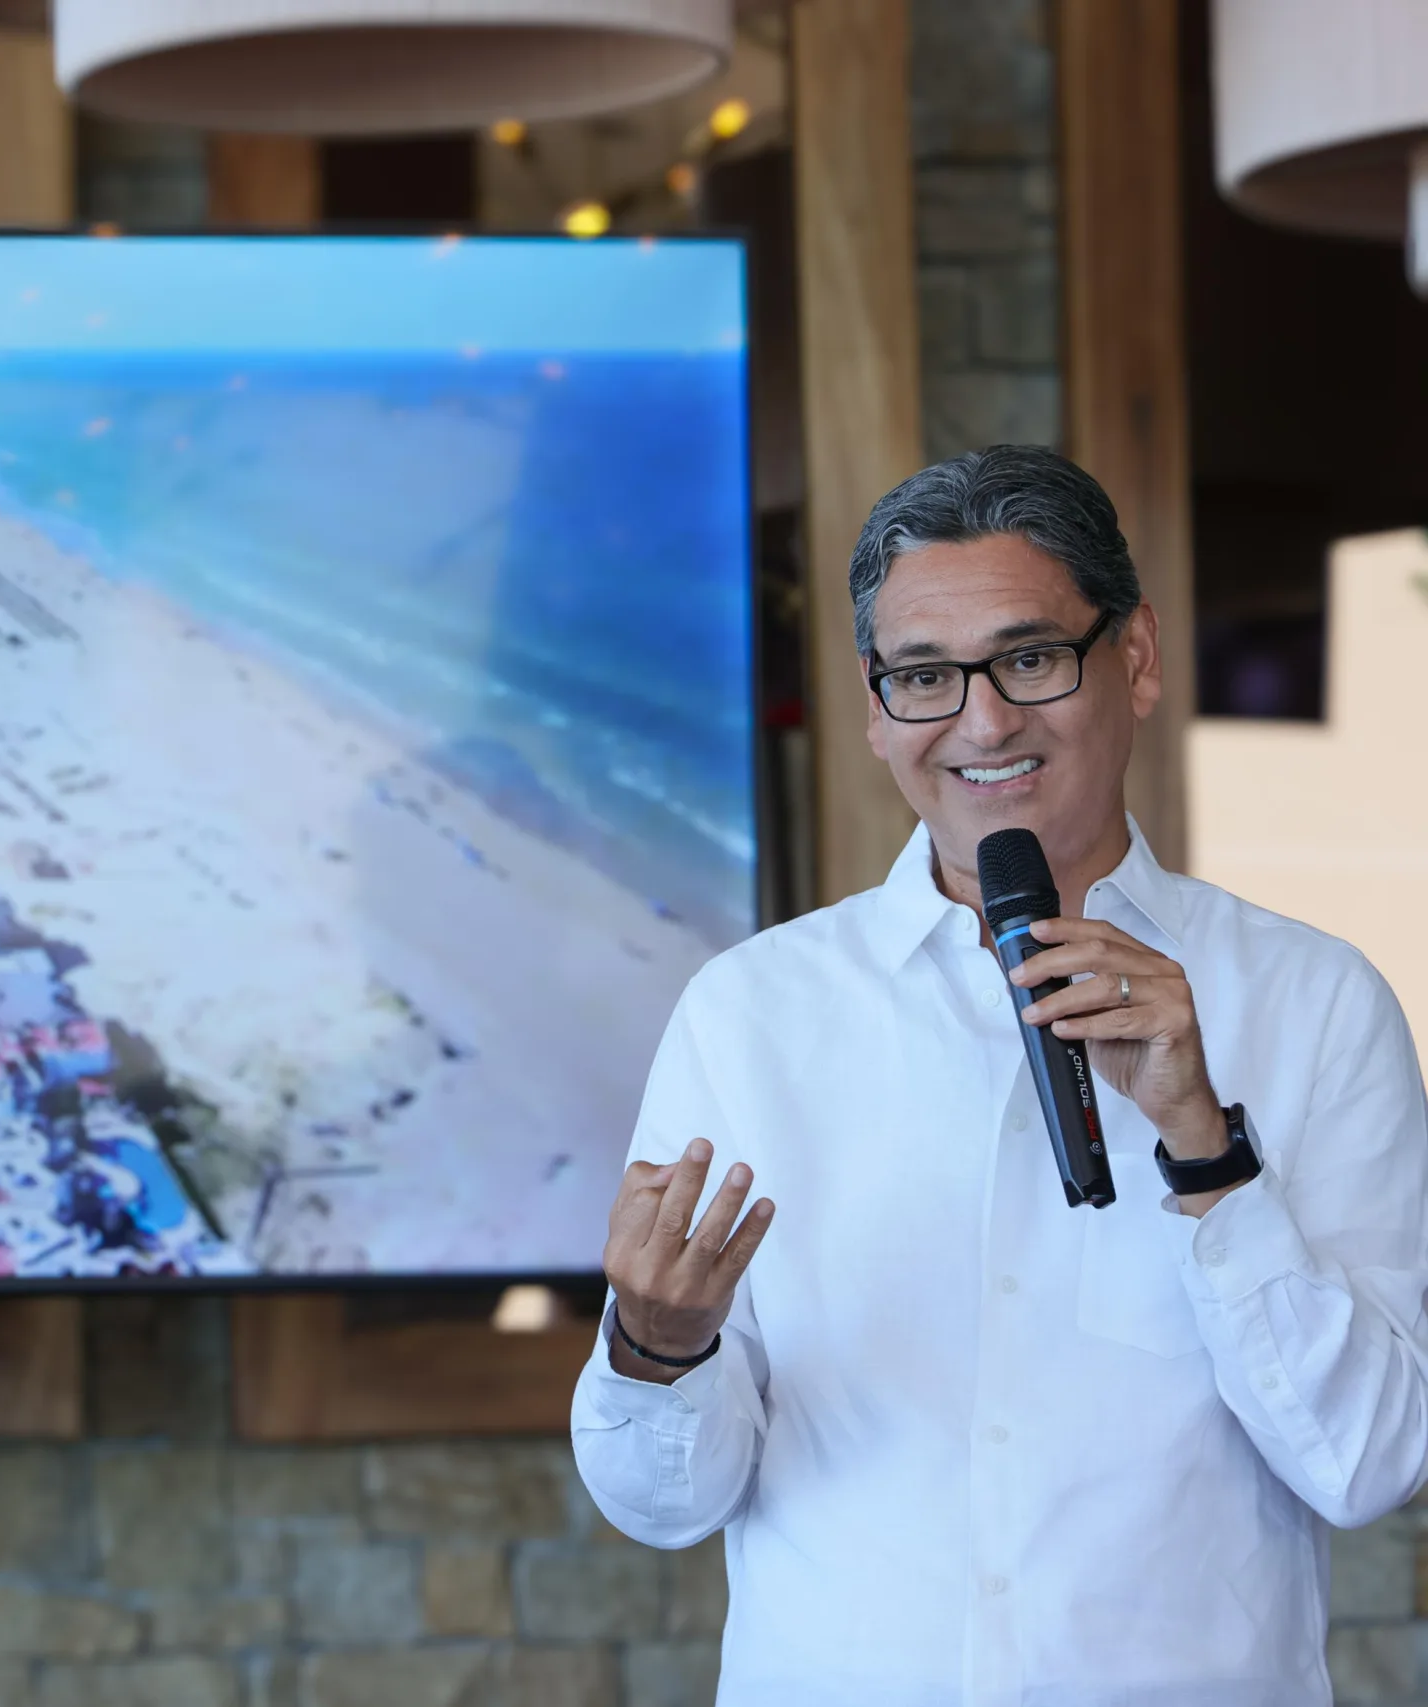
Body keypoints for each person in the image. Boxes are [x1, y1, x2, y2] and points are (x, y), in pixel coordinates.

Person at [568, 446, 1428, 1705]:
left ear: (1134, 658)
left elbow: (1369, 1464)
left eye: (1028, 659)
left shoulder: (1315, 1003)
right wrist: (656, 1343)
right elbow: (663, 1506)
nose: (981, 723)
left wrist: (1206, 1152)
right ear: (876, 711)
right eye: (925, 676)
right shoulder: (750, 1015)